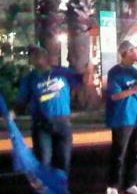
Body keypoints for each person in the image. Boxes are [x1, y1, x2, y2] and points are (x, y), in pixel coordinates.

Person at [13, 46, 93, 184]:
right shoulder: (30, 78)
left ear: (45, 57)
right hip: (41, 124)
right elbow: (21, 101)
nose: (35, 59)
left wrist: (89, 69)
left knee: (63, 159)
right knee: (44, 160)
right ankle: (46, 193)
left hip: (62, 123)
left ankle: (60, 189)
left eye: (38, 55)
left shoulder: (61, 72)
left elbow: (84, 81)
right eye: (32, 56)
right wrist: (12, 113)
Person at [105, 41, 137, 194]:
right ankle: (112, 185)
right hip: (122, 118)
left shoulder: (134, 71)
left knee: (136, 152)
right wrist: (136, 88)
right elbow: (115, 96)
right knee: (118, 154)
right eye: (135, 50)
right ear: (126, 53)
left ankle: (131, 183)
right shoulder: (115, 72)